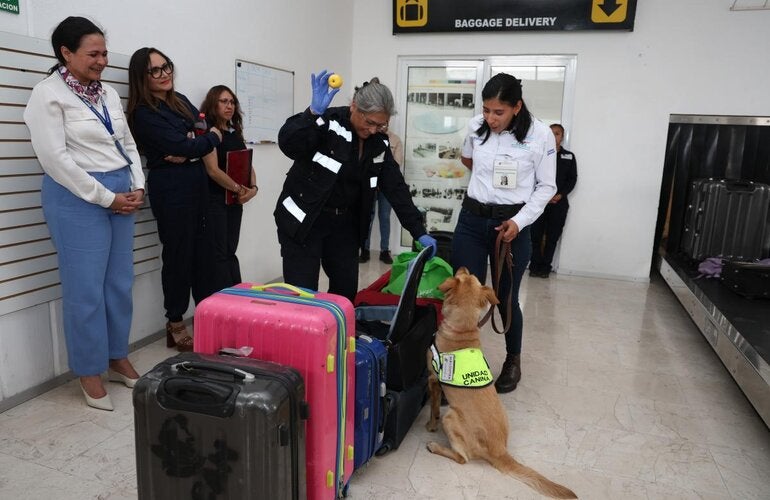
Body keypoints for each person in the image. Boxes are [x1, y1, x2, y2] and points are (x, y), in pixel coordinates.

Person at [24, 16, 145, 411]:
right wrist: (106, 197)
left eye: (104, 53)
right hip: (76, 196)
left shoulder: (106, 93)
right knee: (85, 291)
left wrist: (137, 183)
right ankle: (88, 369)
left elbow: (125, 140)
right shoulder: (47, 94)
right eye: (93, 54)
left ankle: (115, 355)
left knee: (118, 284)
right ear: (66, 53)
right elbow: (56, 160)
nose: (102, 61)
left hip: (120, 191)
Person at [274, 71, 436, 301]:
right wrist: (312, 114)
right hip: (304, 222)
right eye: (369, 122)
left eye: (381, 125)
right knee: (302, 295)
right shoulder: (327, 123)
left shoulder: (379, 143)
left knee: (345, 293)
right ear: (354, 106)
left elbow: (395, 187)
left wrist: (418, 231)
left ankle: (335, 336)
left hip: (344, 226)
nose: (373, 130)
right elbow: (289, 143)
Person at [451, 73, 556, 394]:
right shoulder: (475, 127)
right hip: (471, 219)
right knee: (463, 294)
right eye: (486, 110)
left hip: (510, 226)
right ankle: (464, 363)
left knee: (507, 296)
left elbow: (547, 186)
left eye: (499, 112)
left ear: (517, 107)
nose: (490, 118)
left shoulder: (540, 135)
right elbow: (467, 158)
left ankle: (513, 359)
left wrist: (519, 220)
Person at [127, 47, 222, 351]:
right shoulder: (143, 113)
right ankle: (175, 322)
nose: (164, 73)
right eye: (155, 70)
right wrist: (198, 143)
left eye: (165, 66)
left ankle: (208, 317)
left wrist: (191, 144)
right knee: (179, 256)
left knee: (204, 255)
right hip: (171, 189)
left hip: (197, 184)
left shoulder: (178, 100)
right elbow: (197, 140)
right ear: (142, 77)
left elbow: (201, 129)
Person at [199, 85, 257, 293]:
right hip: (216, 202)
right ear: (213, 103)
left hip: (234, 201)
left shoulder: (235, 132)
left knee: (231, 251)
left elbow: (248, 164)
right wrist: (238, 188)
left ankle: (237, 299)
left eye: (232, 102)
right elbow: (213, 170)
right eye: (224, 101)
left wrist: (253, 189)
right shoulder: (209, 133)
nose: (229, 106)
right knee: (219, 255)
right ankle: (224, 306)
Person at [529, 124, 578, 278]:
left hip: (558, 204)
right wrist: (542, 196)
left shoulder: (569, 156)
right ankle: (534, 266)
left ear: (562, 137)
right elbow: (531, 176)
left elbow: (572, 179)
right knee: (535, 236)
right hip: (539, 202)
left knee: (552, 237)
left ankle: (545, 268)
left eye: (557, 133)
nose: (554, 136)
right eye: (551, 133)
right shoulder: (539, 154)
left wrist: (560, 195)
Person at [360, 129, 403, 264]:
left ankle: (385, 251)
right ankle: (364, 250)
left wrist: (382, 179)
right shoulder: (369, 137)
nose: (381, 126)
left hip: (386, 187)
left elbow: (396, 164)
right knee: (368, 216)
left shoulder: (395, 139)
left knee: (384, 217)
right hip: (369, 185)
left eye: (385, 122)